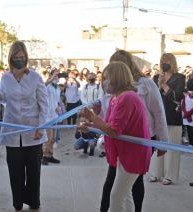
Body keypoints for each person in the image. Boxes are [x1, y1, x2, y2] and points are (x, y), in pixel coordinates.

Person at [99, 50, 169, 212]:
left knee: (130, 183)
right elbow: (110, 115)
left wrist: (162, 142)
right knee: (117, 183)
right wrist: (96, 115)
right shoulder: (114, 88)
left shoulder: (145, 84)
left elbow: (158, 112)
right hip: (119, 139)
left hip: (141, 140)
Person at [79, 61, 152, 212]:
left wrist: (93, 118)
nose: (103, 82)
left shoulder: (127, 98)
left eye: (106, 78)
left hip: (133, 155)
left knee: (116, 196)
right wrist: (90, 126)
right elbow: (108, 125)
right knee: (124, 196)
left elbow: (113, 130)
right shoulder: (115, 99)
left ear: (117, 78)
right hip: (125, 154)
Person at [0, 41, 48, 212]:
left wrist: (41, 127)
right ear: (11, 58)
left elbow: (44, 104)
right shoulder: (5, 78)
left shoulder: (35, 78)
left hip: (34, 132)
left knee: (33, 172)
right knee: (15, 171)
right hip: (12, 133)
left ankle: (33, 202)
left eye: (22, 57)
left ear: (26, 58)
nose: (19, 60)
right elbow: (2, 99)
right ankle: (17, 203)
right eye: (16, 57)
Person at [150, 53, 185, 185]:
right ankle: (155, 172)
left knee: (172, 147)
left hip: (173, 116)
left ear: (173, 62)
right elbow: (153, 97)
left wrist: (165, 85)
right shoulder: (156, 77)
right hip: (159, 115)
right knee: (158, 145)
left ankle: (169, 175)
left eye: (168, 60)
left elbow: (177, 97)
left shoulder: (180, 77)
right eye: (163, 60)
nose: (165, 62)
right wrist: (159, 85)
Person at [42, 69, 61, 165]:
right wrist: (51, 78)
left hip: (55, 116)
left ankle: (50, 155)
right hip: (47, 116)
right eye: (55, 76)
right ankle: (44, 156)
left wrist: (59, 108)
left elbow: (57, 101)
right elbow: (42, 86)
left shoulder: (57, 88)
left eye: (58, 76)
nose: (57, 78)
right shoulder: (47, 85)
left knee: (53, 138)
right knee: (48, 138)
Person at [181, 80, 193, 148]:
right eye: (190, 93)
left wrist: (188, 114)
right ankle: (190, 143)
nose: (191, 94)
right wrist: (185, 113)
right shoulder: (186, 96)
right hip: (187, 117)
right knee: (188, 130)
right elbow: (183, 105)